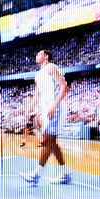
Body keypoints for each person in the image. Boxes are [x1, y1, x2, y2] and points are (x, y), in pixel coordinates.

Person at [21, 50, 70, 186]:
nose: (36, 56)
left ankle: (36, 175)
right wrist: (30, 110)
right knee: (52, 143)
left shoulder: (51, 67)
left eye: (39, 54)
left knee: (47, 140)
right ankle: (65, 173)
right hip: (46, 108)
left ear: (46, 56)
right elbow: (37, 95)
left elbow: (64, 87)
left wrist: (54, 106)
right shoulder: (38, 75)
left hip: (55, 107)